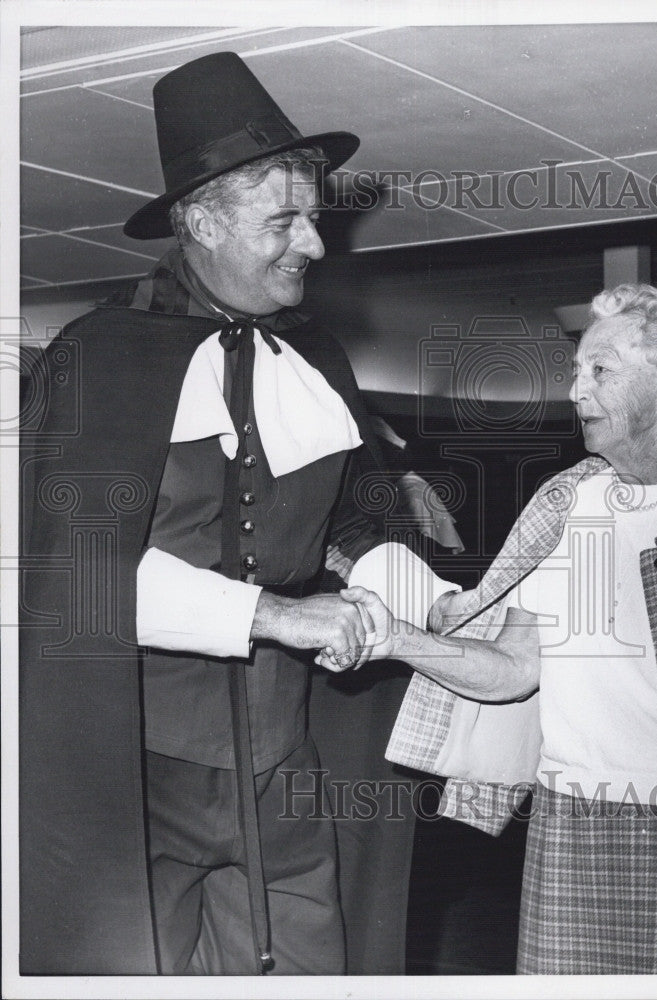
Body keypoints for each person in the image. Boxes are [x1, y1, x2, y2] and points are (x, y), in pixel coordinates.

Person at [19, 51, 454, 975]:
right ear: (202, 221)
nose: (315, 244)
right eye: (284, 220)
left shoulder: (320, 357)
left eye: (314, 217)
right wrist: (282, 615)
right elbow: (78, 577)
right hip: (140, 764)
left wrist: (406, 598)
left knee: (311, 966)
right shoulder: (97, 355)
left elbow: (361, 515)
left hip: (289, 753)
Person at [341, 284, 657, 975]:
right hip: (567, 824)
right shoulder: (566, 505)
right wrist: (398, 639)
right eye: (577, 371)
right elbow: (516, 668)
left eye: (600, 371)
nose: (576, 389)